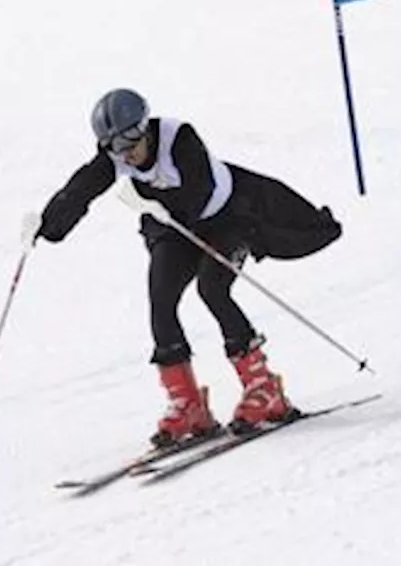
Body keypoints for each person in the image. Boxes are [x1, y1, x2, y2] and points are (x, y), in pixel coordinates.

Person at [35, 88, 343, 447]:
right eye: (115, 146)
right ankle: (189, 404)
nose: (127, 152)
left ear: (145, 126)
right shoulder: (117, 157)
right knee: (161, 299)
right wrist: (47, 225)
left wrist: (160, 204)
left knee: (212, 288)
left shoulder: (178, 137)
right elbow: (80, 189)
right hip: (172, 227)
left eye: (131, 139)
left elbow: (200, 188)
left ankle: (264, 388)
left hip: (226, 218)